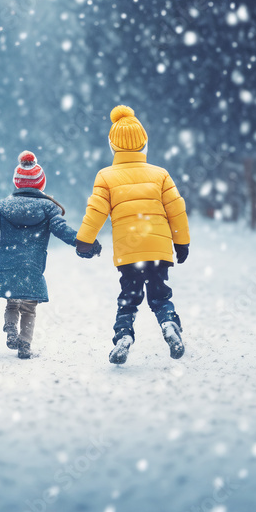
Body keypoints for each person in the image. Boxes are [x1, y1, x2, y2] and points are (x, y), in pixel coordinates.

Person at [75, 105, 190, 365]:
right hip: (159, 251)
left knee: (129, 298)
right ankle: (169, 323)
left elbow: (96, 212)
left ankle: (124, 336)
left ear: (112, 147)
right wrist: (182, 242)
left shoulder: (106, 176)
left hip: (130, 253)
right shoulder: (160, 175)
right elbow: (177, 209)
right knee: (160, 295)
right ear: (144, 145)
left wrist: (85, 241)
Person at [0, 151, 82, 359]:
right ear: (41, 183)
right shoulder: (48, 208)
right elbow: (62, 230)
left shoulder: (5, 206)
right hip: (32, 267)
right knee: (29, 308)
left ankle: (10, 328)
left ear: (17, 183)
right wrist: (82, 243)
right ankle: (25, 344)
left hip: (7, 264)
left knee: (12, 302)